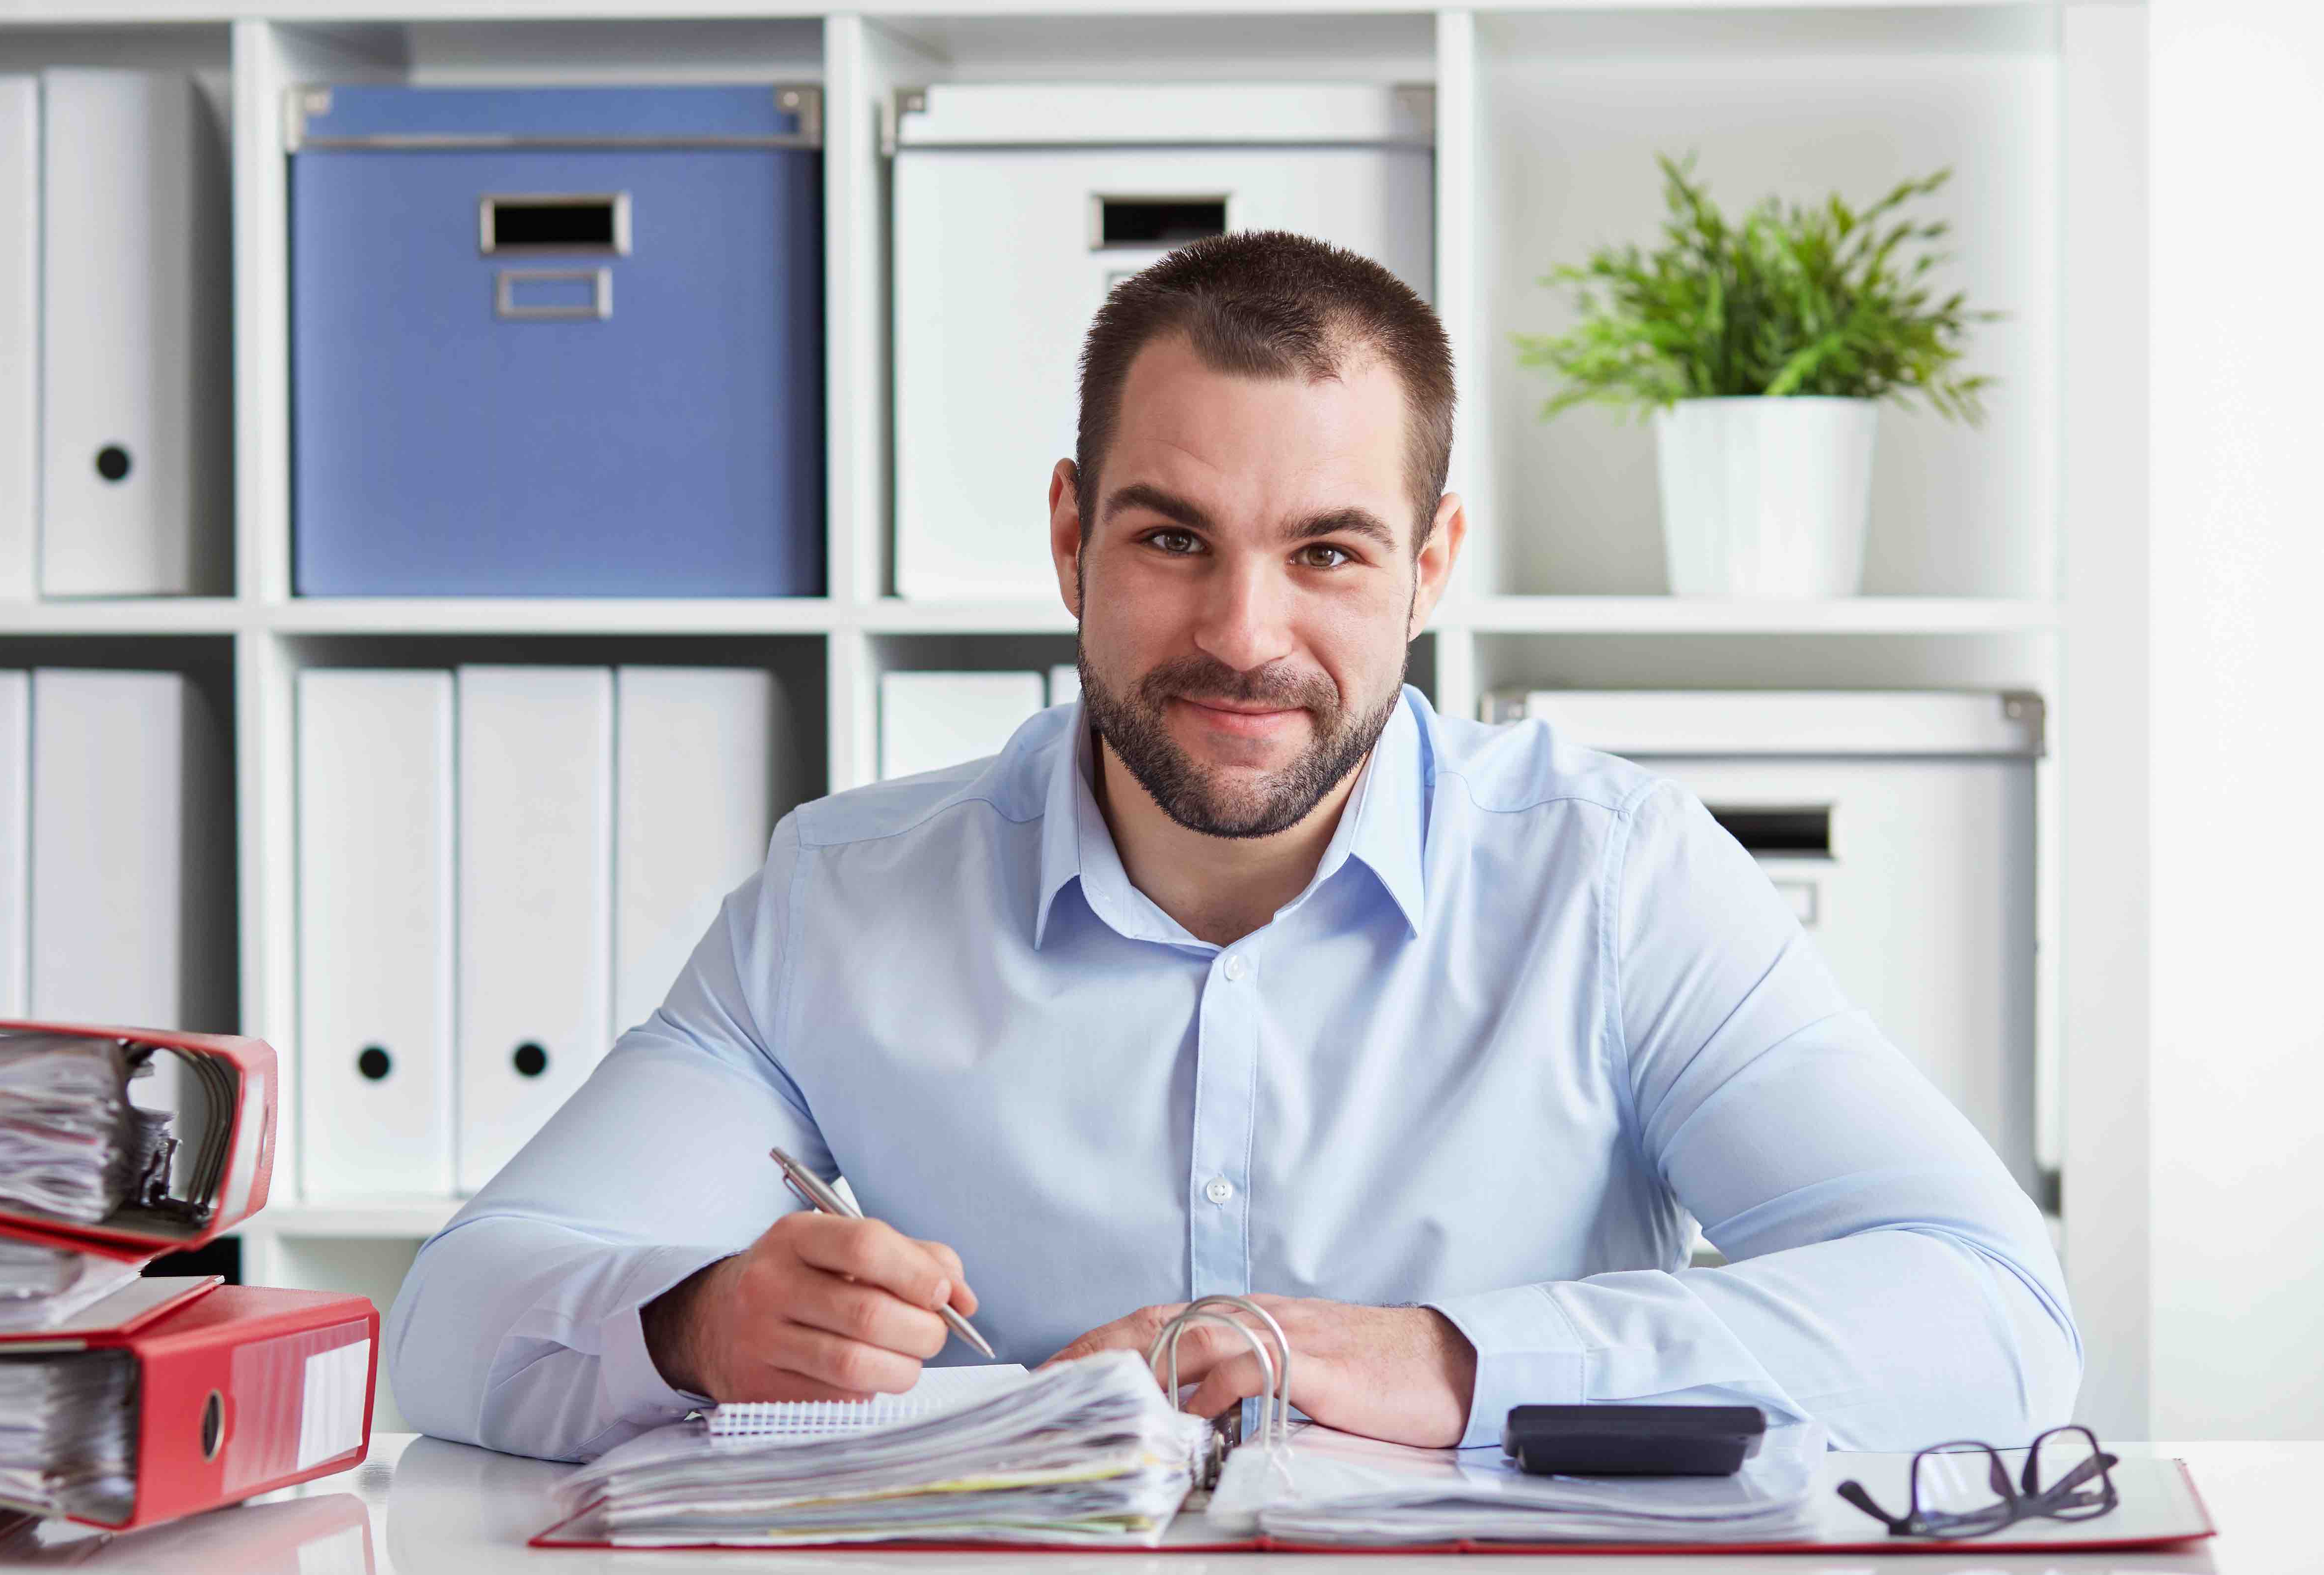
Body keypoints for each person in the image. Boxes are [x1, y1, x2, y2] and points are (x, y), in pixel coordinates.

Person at [386, 231, 2079, 1462]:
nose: (1242, 635)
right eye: (1173, 538)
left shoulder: (1613, 881)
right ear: (1071, 539)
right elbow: (458, 1316)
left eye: (1330, 552)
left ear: (1429, 569)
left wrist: (1446, 1362)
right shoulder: (843, 901)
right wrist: (692, 1328)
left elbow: (1990, 1315)